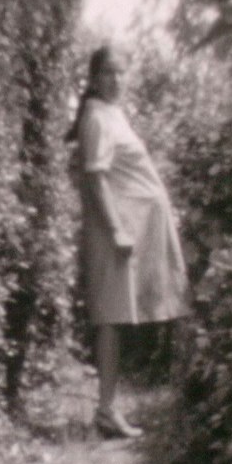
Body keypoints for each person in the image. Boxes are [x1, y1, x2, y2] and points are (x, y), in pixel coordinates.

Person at [66, 46, 189, 438]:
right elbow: (95, 177)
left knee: (129, 313)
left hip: (134, 225)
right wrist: (117, 228)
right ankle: (105, 411)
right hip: (116, 229)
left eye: (121, 73)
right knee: (112, 318)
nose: (115, 80)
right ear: (92, 77)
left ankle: (119, 406)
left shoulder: (112, 113)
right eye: (107, 73)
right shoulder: (97, 117)